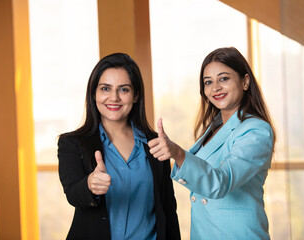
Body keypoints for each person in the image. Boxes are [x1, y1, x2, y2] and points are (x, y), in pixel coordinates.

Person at [148, 47, 275, 239]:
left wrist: (178, 153)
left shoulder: (256, 131)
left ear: (245, 81)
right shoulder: (213, 128)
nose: (215, 87)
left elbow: (220, 182)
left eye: (224, 78)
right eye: (208, 82)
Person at [58, 53, 181, 240]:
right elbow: (73, 194)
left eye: (123, 90)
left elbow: (168, 210)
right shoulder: (72, 143)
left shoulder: (155, 143)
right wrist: (89, 185)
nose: (114, 97)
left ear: (136, 95)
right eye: (105, 88)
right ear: (94, 93)